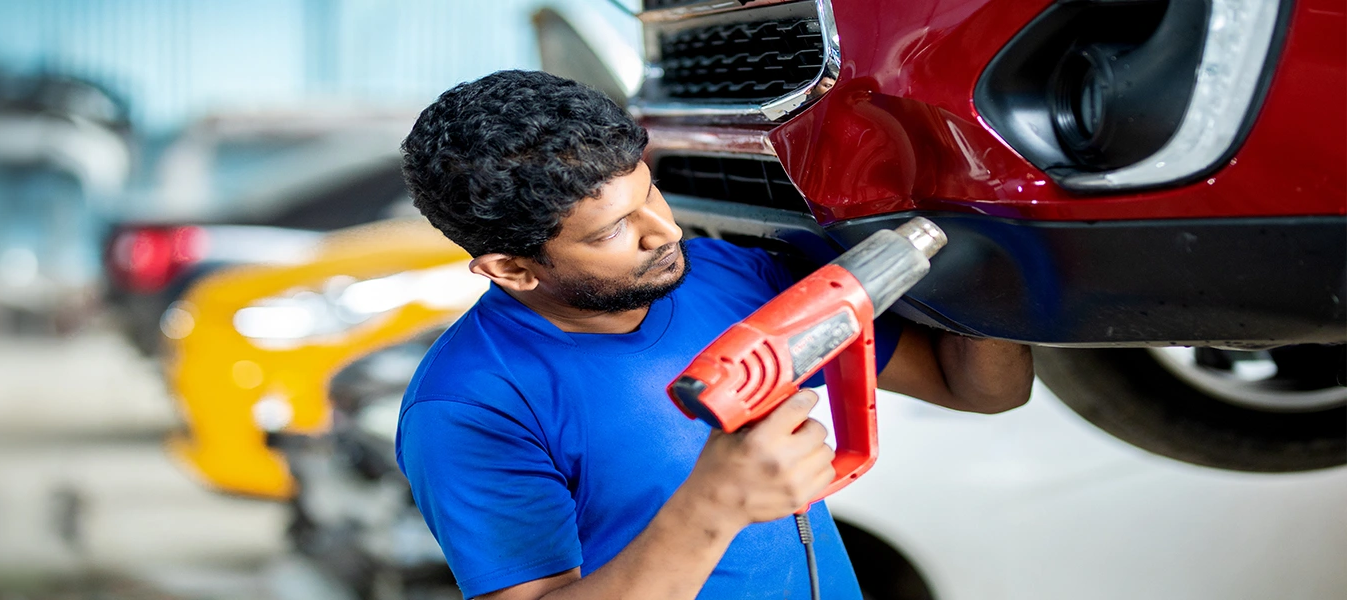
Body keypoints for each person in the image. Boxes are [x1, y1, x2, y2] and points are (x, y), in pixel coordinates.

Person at [394, 70, 1034, 600]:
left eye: (651, 194)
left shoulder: (726, 277)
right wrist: (712, 507)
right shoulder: (469, 406)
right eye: (612, 230)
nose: (664, 232)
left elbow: (978, 389)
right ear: (510, 268)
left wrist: (991, 266)